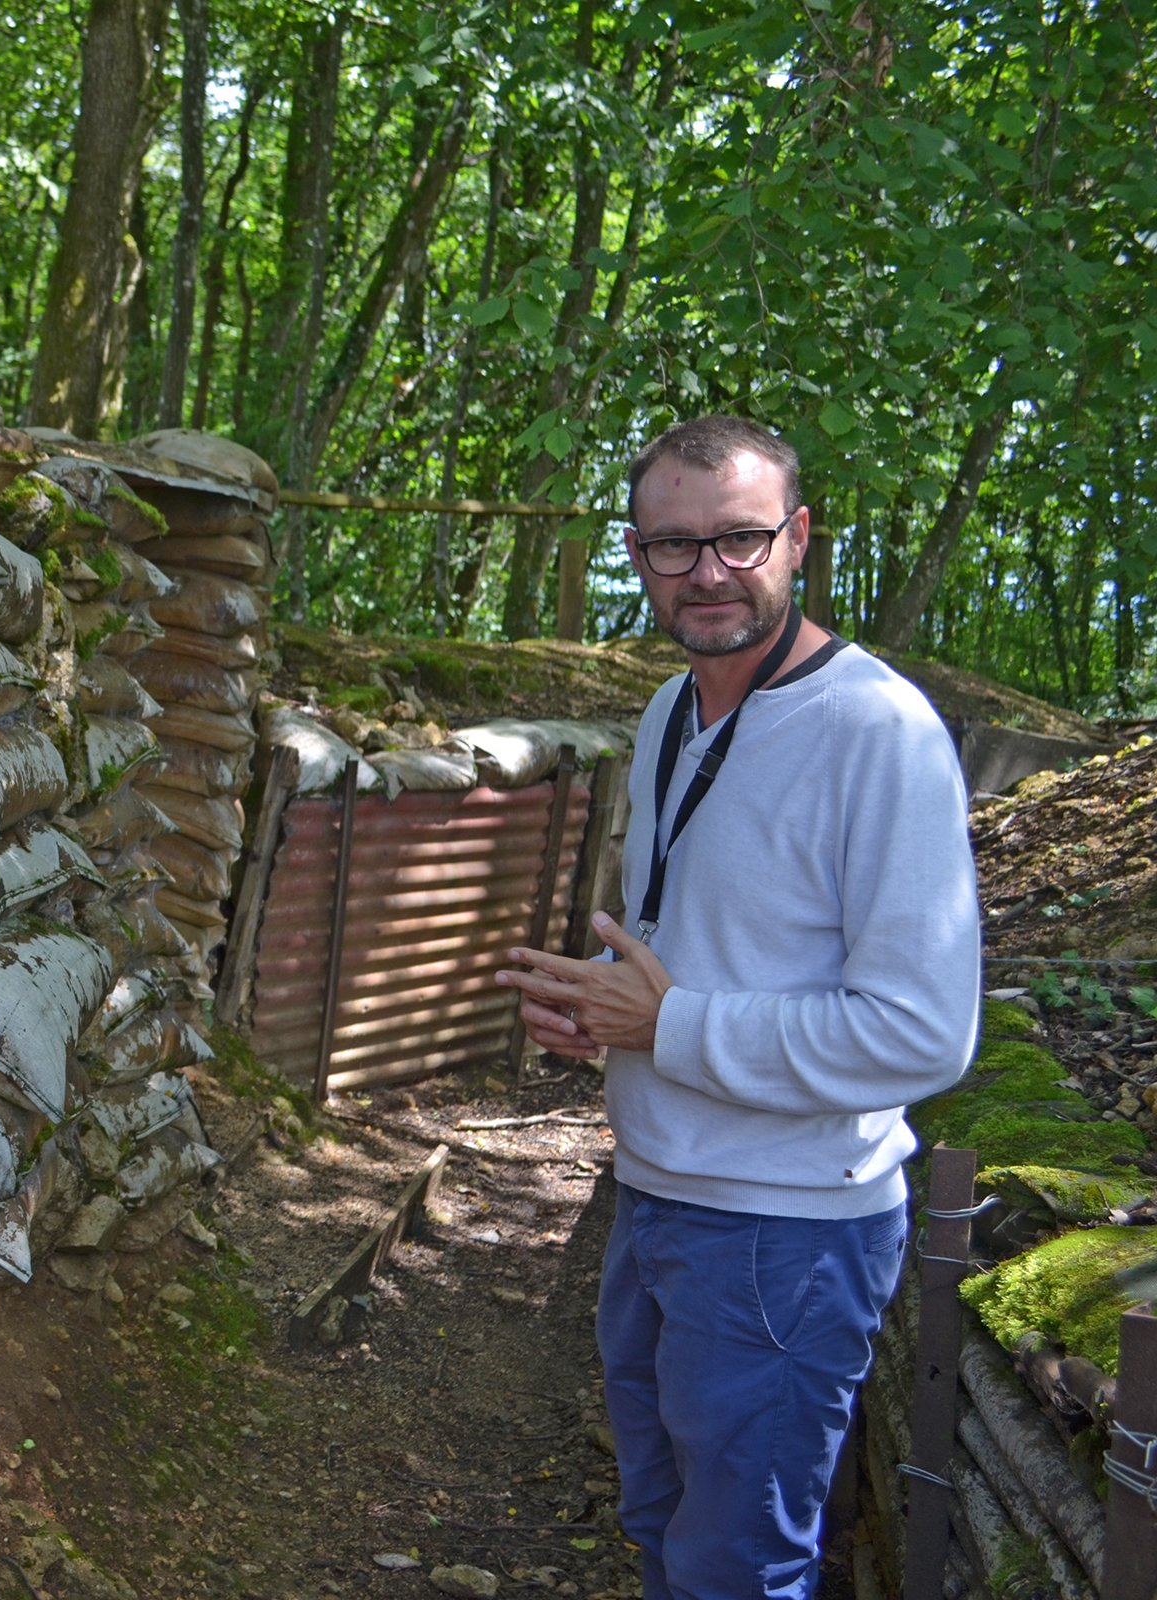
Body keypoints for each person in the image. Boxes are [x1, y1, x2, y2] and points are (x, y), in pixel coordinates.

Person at [494, 414, 980, 1600]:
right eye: (672, 546)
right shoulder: (669, 711)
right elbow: (694, 954)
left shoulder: (880, 730)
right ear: (634, 552)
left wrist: (668, 1027)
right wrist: (599, 1022)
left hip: (789, 1236)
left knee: (736, 1568)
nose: (706, 571)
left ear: (796, 539)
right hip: (655, 1197)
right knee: (663, 1527)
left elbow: (925, 1032)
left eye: (738, 539)